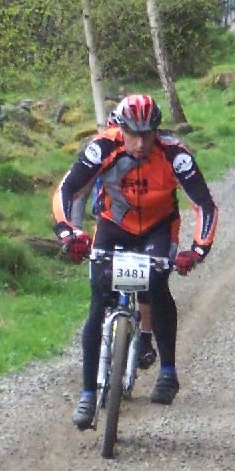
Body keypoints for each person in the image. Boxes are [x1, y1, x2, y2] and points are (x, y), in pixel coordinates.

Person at [52, 94, 218, 429]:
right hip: (114, 225)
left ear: (158, 130)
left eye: (148, 134)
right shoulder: (103, 148)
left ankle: (168, 373)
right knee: (98, 300)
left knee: (157, 286)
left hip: (158, 227)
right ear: (120, 128)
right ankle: (87, 394)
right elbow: (66, 191)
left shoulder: (175, 154)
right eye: (133, 134)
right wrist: (69, 232)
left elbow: (205, 205)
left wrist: (197, 250)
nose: (140, 143)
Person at [52, 104, 159, 373]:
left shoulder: (141, 155)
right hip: (108, 220)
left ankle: (145, 336)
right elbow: (78, 194)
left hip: (140, 223)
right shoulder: (101, 153)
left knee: (144, 280)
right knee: (101, 288)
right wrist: (74, 232)